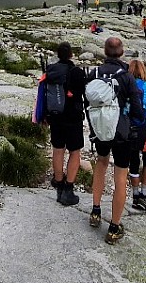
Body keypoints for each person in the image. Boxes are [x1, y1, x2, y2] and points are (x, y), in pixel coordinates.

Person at [86, 37, 143, 245]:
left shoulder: (95, 74)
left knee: (101, 164)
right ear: (121, 52)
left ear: (105, 52)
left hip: (100, 129)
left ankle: (95, 211)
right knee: (121, 174)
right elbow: (137, 110)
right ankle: (114, 226)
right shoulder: (127, 76)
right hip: (121, 132)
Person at [42, 43, 86, 207]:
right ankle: (68, 188)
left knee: (58, 149)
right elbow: (83, 93)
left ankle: (58, 181)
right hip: (73, 117)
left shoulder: (51, 70)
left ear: (58, 55)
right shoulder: (76, 72)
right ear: (70, 55)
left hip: (55, 116)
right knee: (75, 152)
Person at [128, 59, 146, 211]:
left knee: (133, 161)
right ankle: (144, 194)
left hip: (129, 128)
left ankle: (135, 195)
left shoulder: (125, 85)